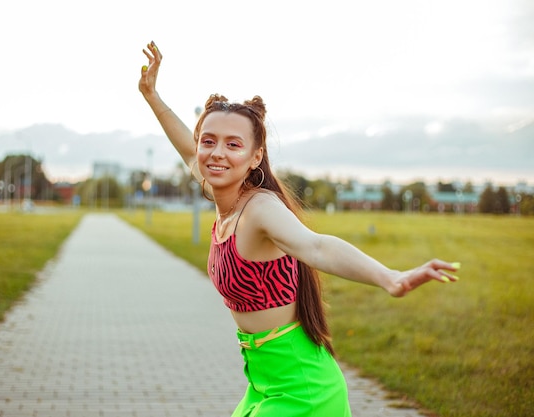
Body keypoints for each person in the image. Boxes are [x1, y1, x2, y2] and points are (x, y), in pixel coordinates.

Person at [138, 40, 460, 417]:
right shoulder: (220, 193)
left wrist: (390, 277)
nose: (217, 153)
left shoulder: (259, 209)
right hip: (262, 385)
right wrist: (152, 96)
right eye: (209, 141)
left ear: (255, 156)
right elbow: (191, 153)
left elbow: (317, 248)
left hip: (302, 389)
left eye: (233, 144)